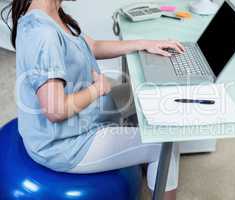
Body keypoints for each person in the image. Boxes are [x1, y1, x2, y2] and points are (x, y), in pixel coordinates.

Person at [1, 0, 186, 199]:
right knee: (163, 145)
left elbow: (93, 46)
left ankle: (144, 163)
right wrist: (97, 89)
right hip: (66, 144)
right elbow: (55, 110)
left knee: (145, 94)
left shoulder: (53, 14)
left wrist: (146, 44)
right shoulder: (42, 35)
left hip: (86, 115)